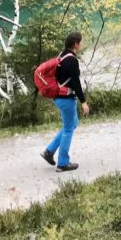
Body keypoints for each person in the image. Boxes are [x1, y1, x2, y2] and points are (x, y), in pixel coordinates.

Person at [41, 31, 89, 172]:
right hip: (66, 99)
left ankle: (49, 152)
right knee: (68, 128)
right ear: (75, 44)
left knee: (72, 124)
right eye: (81, 42)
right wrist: (84, 102)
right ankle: (62, 163)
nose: (82, 44)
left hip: (58, 97)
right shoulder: (72, 60)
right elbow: (75, 82)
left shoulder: (61, 55)